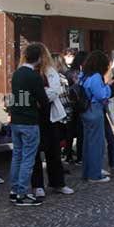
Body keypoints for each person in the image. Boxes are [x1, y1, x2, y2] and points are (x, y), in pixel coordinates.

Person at [8, 43, 48, 205]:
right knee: (27, 159)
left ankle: (14, 189)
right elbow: (43, 100)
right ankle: (22, 194)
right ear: (38, 59)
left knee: (17, 156)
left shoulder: (17, 74)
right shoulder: (34, 76)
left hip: (16, 120)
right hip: (30, 121)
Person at [30, 49, 73, 196]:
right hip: (34, 116)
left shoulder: (50, 71)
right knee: (35, 152)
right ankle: (37, 185)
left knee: (53, 151)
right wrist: (40, 95)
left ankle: (57, 183)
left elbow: (54, 91)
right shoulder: (28, 71)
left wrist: (39, 96)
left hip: (51, 115)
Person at [80, 50, 113, 182]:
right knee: (96, 144)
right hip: (95, 109)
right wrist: (108, 86)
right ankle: (94, 174)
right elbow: (102, 95)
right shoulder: (96, 77)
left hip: (85, 110)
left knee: (88, 143)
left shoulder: (84, 75)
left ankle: (87, 171)